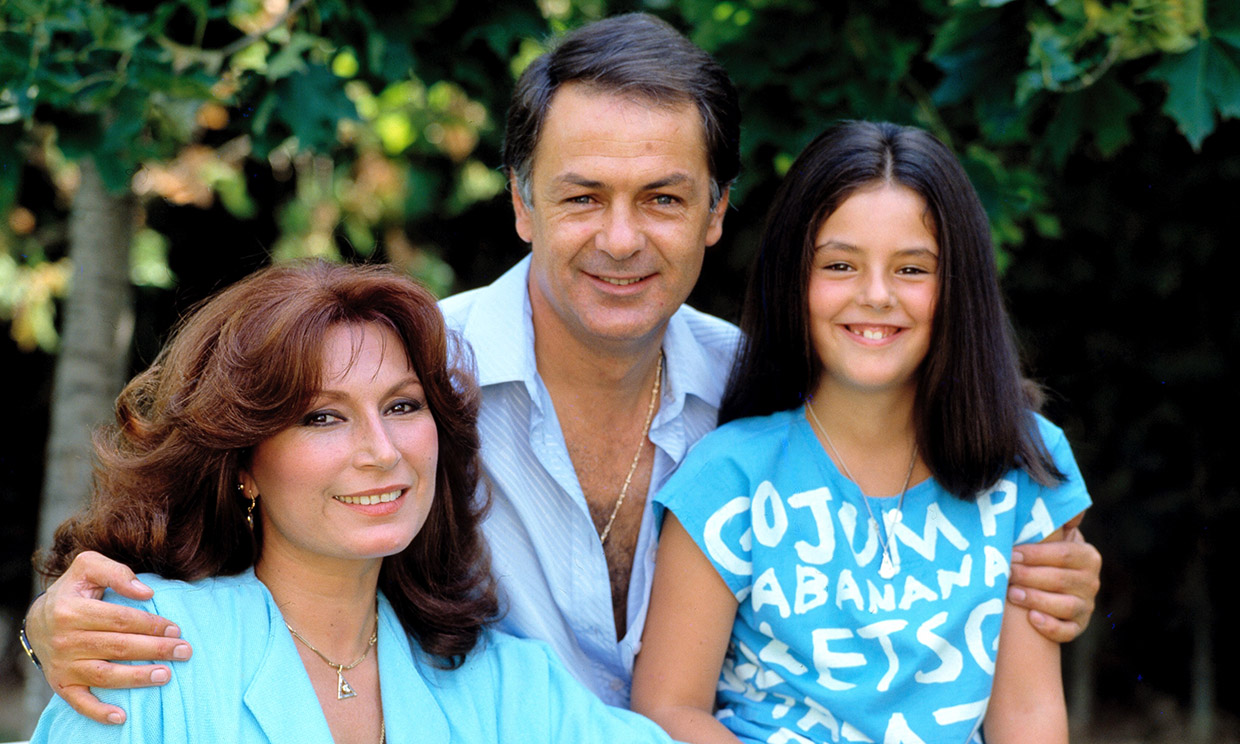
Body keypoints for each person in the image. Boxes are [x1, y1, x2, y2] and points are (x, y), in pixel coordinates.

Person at [20, 13, 1102, 721]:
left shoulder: (769, 392)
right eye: (582, 196)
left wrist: (1040, 557)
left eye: (664, 198)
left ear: (718, 214)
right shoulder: (399, 382)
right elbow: (226, 517)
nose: (620, 239)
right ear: (523, 202)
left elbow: (941, 506)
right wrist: (53, 622)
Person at [28, 261, 675, 743]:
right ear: (243, 462)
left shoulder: (503, 682)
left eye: (402, 406)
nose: (382, 450)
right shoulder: (145, 644)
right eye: (321, 417)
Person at [630, 121, 1089, 743]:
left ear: (958, 287)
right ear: (794, 279)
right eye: (840, 265)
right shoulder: (729, 476)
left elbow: (1029, 715)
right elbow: (668, 708)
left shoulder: (1025, 464)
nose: (876, 296)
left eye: (912, 269)